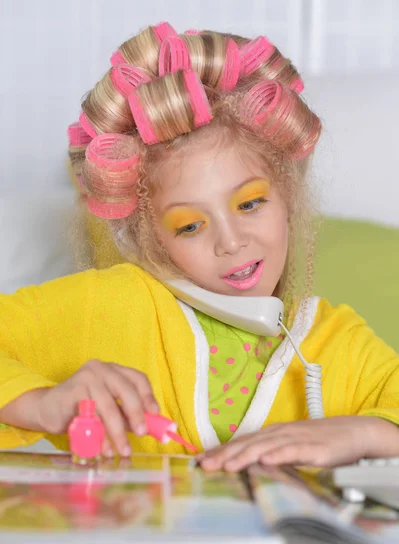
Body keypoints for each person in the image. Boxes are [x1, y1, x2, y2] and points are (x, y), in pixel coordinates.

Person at [1, 22, 398, 472]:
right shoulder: (110, 306)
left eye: (250, 203)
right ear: (152, 238)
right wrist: (37, 404)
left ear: (288, 193)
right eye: (189, 226)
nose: (230, 242)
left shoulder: (340, 344)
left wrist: (366, 433)